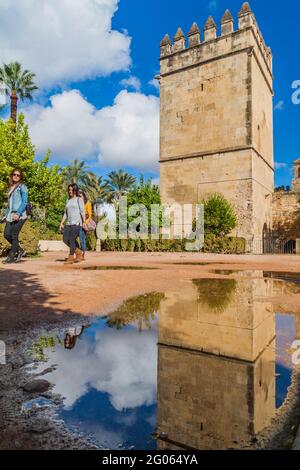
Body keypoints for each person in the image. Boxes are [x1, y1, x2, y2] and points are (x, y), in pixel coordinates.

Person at [2, 169, 28, 264]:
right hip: (10, 215)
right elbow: (9, 204)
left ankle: (11, 256)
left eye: (18, 175)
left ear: (20, 177)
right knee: (6, 234)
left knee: (14, 235)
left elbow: (24, 201)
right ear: (11, 175)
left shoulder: (22, 187)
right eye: (14, 174)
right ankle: (20, 250)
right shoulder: (10, 188)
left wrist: (18, 213)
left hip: (20, 215)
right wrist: (5, 215)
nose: (16, 176)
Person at [60, 184, 86, 264]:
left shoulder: (79, 199)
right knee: (65, 239)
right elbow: (65, 213)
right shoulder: (68, 200)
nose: (70, 191)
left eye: (71, 190)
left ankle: (71, 257)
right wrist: (61, 222)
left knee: (71, 239)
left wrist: (84, 222)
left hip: (77, 223)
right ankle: (78, 251)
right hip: (68, 223)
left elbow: (82, 211)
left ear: (75, 190)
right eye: (69, 190)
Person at [78, 189, 92, 260]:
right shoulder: (77, 203)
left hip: (84, 224)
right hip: (77, 223)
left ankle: (82, 254)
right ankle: (79, 253)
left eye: (81, 196)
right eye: (79, 196)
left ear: (84, 196)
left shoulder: (87, 203)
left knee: (82, 239)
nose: (80, 197)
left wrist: (85, 223)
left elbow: (89, 214)